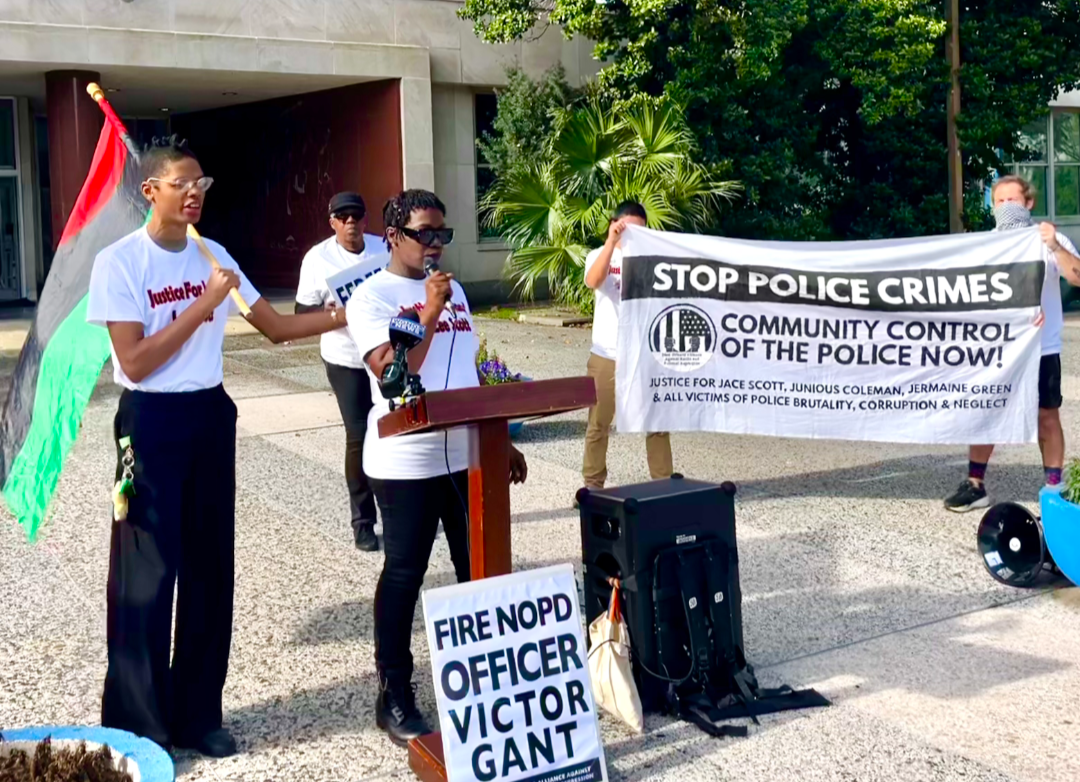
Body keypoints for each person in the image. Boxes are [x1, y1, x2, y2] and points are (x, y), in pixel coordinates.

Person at [87, 137, 349, 757]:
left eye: (201, 183)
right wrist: (205, 301)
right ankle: (138, 725)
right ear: (150, 190)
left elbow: (275, 327)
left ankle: (198, 714)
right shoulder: (120, 263)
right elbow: (135, 361)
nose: (195, 193)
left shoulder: (215, 253)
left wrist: (341, 317)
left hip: (208, 415)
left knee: (209, 570)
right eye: (181, 183)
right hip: (150, 421)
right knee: (147, 576)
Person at [347, 189, 528, 746]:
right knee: (406, 573)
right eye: (424, 233)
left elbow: (467, 367)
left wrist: (498, 438)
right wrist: (427, 310)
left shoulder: (457, 291)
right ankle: (394, 693)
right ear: (393, 236)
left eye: (442, 234)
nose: (434, 244)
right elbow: (395, 376)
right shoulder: (371, 298)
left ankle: (480, 684)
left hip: (467, 450)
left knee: (477, 567)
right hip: (407, 460)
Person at [944, 174, 1080, 512]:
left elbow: (1076, 277)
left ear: (1029, 203)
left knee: (1046, 415)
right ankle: (975, 484)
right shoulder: (986, 245)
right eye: (1000, 202)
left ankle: (1053, 487)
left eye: (1013, 201)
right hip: (998, 348)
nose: (1006, 207)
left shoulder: (1048, 240)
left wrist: (1054, 246)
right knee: (987, 411)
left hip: (1041, 347)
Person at [295, 192, 388, 551]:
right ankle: (363, 521)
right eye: (343, 217)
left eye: (357, 216)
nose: (351, 223)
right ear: (332, 222)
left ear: (366, 220)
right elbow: (302, 316)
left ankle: (396, 511)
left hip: (384, 354)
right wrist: (333, 314)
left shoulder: (383, 249)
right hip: (344, 358)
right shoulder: (317, 259)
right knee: (359, 434)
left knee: (391, 431)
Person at [582, 201, 674, 493]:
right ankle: (593, 486)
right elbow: (593, 281)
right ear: (614, 225)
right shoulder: (599, 255)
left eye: (641, 232)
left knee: (657, 423)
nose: (634, 237)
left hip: (644, 354)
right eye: (627, 230)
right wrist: (611, 243)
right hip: (607, 354)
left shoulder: (653, 260)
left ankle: (663, 485)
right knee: (599, 423)